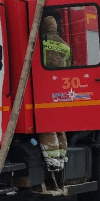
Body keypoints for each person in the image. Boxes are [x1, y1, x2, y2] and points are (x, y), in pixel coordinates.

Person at [39, 16, 71, 171]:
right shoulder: (65, 45)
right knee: (59, 125)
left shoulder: (41, 42)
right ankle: (62, 157)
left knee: (48, 126)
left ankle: (52, 162)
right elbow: (68, 65)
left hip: (45, 86)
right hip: (62, 88)